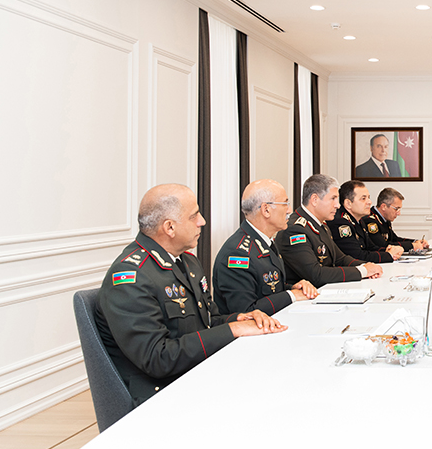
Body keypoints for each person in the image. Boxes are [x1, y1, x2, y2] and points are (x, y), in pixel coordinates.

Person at [95, 184, 286, 407]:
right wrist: (233, 330)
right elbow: (158, 358)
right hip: (163, 396)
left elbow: (208, 321)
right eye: (194, 216)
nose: (202, 221)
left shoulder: (187, 262)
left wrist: (241, 319)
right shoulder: (130, 278)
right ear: (170, 227)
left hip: (196, 373)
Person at [213, 179, 318, 315]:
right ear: (266, 210)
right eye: (285, 204)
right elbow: (246, 312)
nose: (289, 210)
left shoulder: (264, 241)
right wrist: (291, 296)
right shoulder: (238, 254)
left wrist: (294, 288)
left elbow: (268, 288)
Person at [275, 174, 383, 286]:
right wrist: (363, 271)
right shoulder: (294, 230)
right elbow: (316, 274)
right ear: (315, 200)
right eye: (333, 199)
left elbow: (340, 259)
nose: (337, 205)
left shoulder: (322, 225)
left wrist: (366, 266)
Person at [329, 180, 403, 263]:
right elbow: (357, 256)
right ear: (348, 204)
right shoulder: (340, 223)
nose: (369, 202)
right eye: (363, 199)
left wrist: (388, 249)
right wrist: (389, 255)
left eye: (368, 198)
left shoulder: (359, 220)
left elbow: (370, 247)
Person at [367, 187, 429, 251]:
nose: (399, 213)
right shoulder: (370, 221)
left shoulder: (385, 218)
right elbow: (383, 245)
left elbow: (394, 239)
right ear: (384, 207)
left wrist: (415, 242)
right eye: (396, 209)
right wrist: (412, 246)